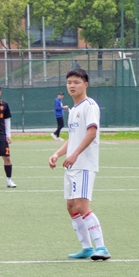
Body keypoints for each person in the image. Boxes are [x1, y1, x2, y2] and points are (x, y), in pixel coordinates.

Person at [49, 69, 108, 260]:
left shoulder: (89, 106)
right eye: (69, 83)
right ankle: (87, 248)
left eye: (76, 82)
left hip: (84, 163)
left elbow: (91, 132)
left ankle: (102, 248)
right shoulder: (73, 109)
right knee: (71, 206)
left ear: (85, 84)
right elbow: (74, 137)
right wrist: (58, 153)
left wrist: (75, 154)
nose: (72, 86)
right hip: (72, 165)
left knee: (82, 205)